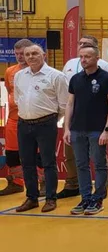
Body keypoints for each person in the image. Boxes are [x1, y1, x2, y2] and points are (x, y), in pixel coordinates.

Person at [62, 44, 108, 215]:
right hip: (77, 129)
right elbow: (70, 104)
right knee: (81, 165)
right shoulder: (75, 79)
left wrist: (107, 130)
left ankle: (98, 199)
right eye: (81, 57)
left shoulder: (107, 78)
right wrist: (67, 128)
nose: (83, 60)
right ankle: (85, 198)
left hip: (97, 130)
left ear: (97, 58)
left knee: (99, 164)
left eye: (87, 56)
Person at [13, 44, 68, 213]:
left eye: (35, 53)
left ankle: (51, 198)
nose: (30, 57)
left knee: (48, 162)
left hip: (46, 124)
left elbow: (64, 104)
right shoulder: (19, 75)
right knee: (26, 162)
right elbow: (18, 99)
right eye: (27, 54)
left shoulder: (56, 76)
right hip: (23, 123)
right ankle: (32, 198)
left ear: (44, 55)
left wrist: (51, 120)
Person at [2, 39, 32, 196]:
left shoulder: (38, 71)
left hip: (34, 119)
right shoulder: (10, 71)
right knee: (12, 153)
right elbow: (9, 90)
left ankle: (42, 183)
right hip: (14, 118)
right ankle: (16, 183)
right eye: (17, 54)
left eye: (23, 53)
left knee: (37, 153)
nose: (20, 57)